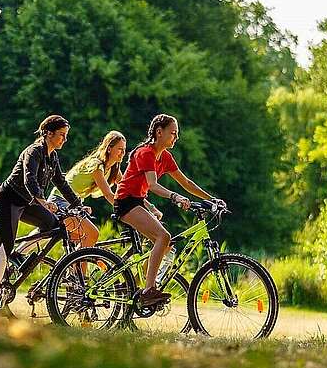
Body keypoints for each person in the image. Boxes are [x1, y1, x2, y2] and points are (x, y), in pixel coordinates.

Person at [0, 115, 84, 316]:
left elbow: (62, 183)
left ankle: (18, 253)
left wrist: (78, 205)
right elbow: (29, 179)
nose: (65, 140)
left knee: (53, 225)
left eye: (66, 136)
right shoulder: (34, 151)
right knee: (3, 249)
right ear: (48, 133)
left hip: (27, 202)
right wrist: (43, 201)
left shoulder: (53, 157)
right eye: (62, 135)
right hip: (7, 200)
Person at [114, 114, 215, 308]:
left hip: (138, 202)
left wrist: (211, 200)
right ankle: (148, 290)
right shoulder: (145, 152)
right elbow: (152, 185)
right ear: (159, 132)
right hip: (126, 201)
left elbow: (186, 183)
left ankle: (135, 285)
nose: (176, 137)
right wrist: (175, 197)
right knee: (163, 236)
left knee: (166, 244)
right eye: (173, 133)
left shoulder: (165, 157)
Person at [48, 130, 127, 248]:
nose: (123, 153)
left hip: (72, 203)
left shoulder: (113, 168)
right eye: (120, 149)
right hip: (60, 200)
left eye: (124, 149)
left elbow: (128, 188)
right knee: (91, 234)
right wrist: (127, 212)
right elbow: (108, 195)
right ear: (109, 149)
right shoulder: (97, 165)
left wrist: (148, 208)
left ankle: (73, 265)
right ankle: (18, 253)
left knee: (84, 242)